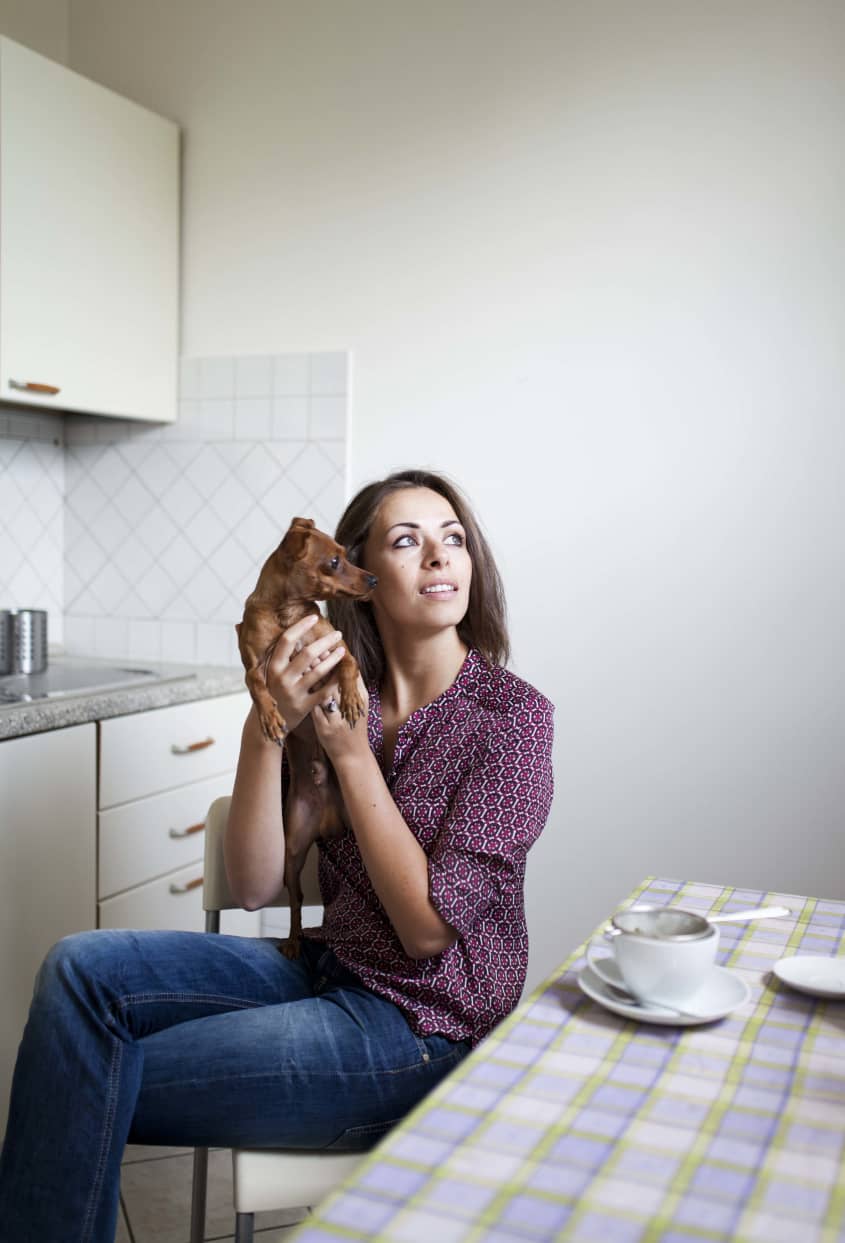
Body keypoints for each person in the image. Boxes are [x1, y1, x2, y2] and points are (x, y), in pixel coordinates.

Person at [0, 468, 554, 1243]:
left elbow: (428, 930)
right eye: (406, 539)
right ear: (355, 577)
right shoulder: (322, 691)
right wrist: (269, 720)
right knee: (76, 970)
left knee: (76, 1071)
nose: (438, 555)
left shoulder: (512, 721)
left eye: (452, 538)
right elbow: (258, 884)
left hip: (419, 1031)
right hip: (321, 970)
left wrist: (349, 754)